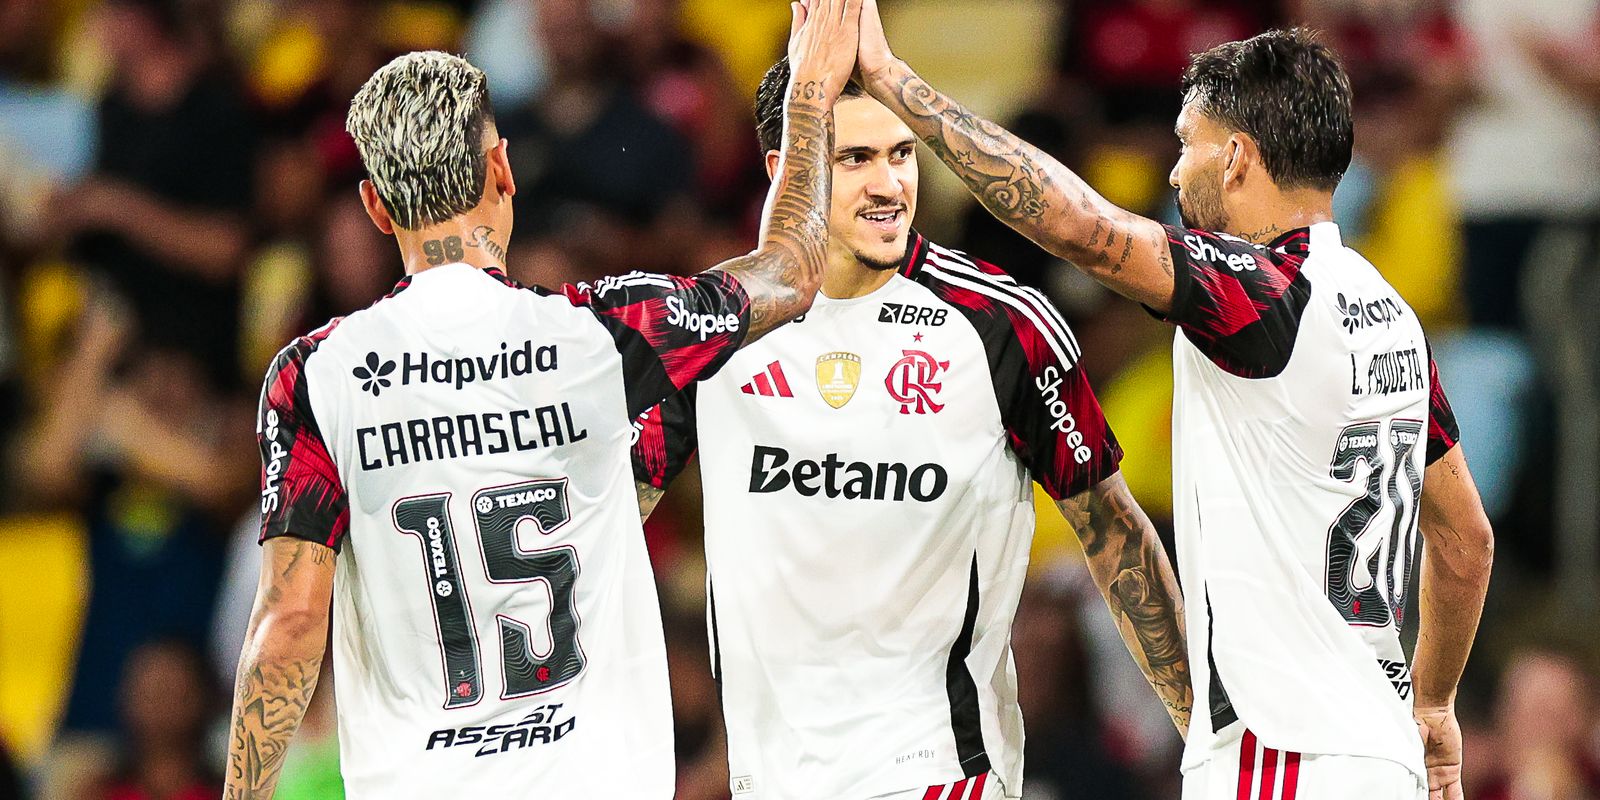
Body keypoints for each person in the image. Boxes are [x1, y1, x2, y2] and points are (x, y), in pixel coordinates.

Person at [852, 8, 1495, 800]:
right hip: (1378, 755)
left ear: (1237, 157)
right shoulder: (1388, 313)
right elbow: (1464, 541)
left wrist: (892, 81)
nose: (1173, 173)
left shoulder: (1265, 295)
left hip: (1281, 756)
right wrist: (1432, 705)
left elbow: (1080, 227)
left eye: (1188, 144)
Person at [223, 0, 861, 792]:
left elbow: (289, 624)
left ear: (375, 207)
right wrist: (810, 93)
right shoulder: (597, 335)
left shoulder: (315, 376)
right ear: (502, 170)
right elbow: (792, 271)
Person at [631, 56, 1190, 800]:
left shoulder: (1002, 327)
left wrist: (1207, 739)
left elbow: (1114, 533)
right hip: (775, 779)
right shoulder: (713, 329)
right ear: (782, 171)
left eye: (901, 154)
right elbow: (614, 521)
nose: (889, 184)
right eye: (855, 158)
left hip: (942, 772)